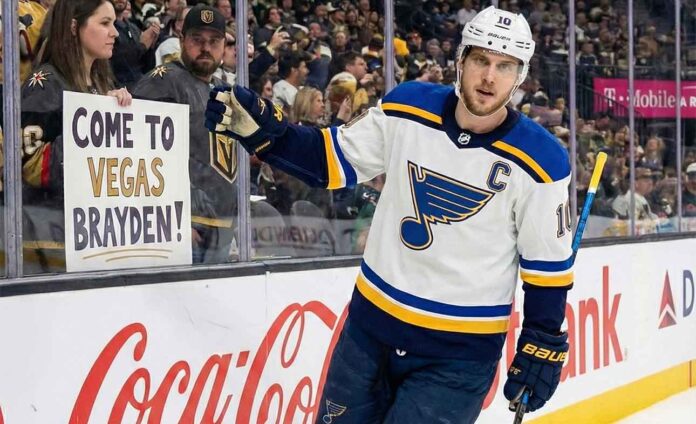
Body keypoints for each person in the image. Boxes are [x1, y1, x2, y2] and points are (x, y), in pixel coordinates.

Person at [206, 6, 572, 423]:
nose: (489, 77)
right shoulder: (409, 108)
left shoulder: (541, 161)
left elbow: (547, 269)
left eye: (504, 66)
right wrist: (268, 135)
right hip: (368, 334)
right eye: (481, 60)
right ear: (461, 61)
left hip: (457, 359)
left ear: (519, 76)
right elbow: (331, 159)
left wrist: (542, 339)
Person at [21, 0, 132, 272]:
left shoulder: (101, 84)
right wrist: (92, 123)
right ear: (74, 27)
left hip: (94, 235)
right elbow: (30, 168)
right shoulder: (45, 83)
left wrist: (116, 113)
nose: (115, 32)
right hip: (51, 239)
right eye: (104, 23)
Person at [133, 4, 238, 264]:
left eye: (214, 41)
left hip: (221, 226)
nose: (206, 47)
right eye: (197, 40)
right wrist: (173, 222)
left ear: (224, 45)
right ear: (181, 39)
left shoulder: (222, 89)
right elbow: (142, 161)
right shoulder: (162, 82)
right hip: (186, 227)